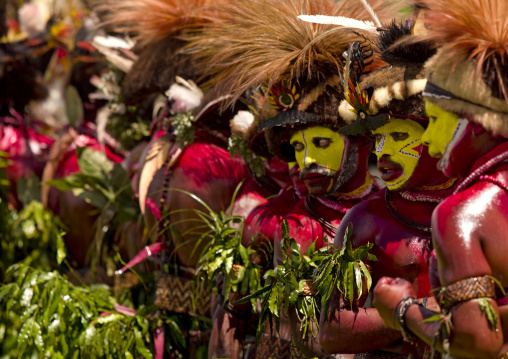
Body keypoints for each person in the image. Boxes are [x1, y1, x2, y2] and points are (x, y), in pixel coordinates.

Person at [372, 1, 508, 358]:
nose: (428, 140)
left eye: (434, 121)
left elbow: (477, 342)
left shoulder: (461, 216)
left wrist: (402, 310)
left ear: (474, 120)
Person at [318, 21, 458, 359]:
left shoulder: (481, 208)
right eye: (379, 138)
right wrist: (419, 314)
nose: (382, 152)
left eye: (398, 137)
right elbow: (331, 331)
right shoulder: (366, 220)